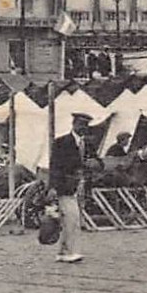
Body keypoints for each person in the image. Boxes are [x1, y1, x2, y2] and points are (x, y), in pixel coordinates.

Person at [48, 112, 93, 264]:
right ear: (74, 124)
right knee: (72, 219)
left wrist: (94, 164)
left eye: (86, 125)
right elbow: (54, 165)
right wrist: (53, 187)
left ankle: (63, 251)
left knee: (72, 219)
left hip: (81, 186)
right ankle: (70, 251)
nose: (83, 128)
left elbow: (97, 161)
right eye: (81, 125)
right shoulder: (61, 142)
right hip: (65, 186)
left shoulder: (88, 144)